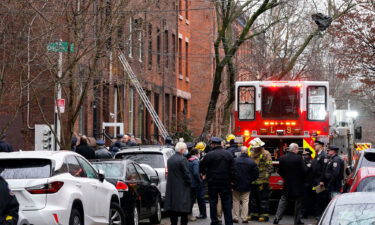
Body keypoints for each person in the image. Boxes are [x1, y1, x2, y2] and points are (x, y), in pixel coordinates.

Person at [200, 137, 234, 225]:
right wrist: (232, 181)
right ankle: (229, 222)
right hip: (225, 182)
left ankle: (214, 221)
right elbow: (233, 169)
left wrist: (204, 173)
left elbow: (202, 166)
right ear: (220, 144)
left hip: (212, 182)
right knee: (226, 202)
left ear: (213, 144)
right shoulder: (228, 154)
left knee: (213, 201)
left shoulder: (209, 155)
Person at [273, 143, 306, 225]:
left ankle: (277, 218)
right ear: (295, 149)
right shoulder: (298, 158)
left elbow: (279, 171)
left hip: (287, 183)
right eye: (297, 149)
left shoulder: (282, 158)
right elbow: (304, 170)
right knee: (298, 203)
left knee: (283, 201)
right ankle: (297, 220)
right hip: (297, 184)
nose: (298, 150)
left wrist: (286, 178)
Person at [164, 140, 192, 225]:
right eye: (185, 149)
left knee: (173, 211)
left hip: (172, 187)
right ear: (182, 150)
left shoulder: (170, 159)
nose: (186, 150)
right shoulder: (183, 159)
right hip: (182, 188)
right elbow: (186, 173)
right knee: (184, 211)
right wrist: (190, 182)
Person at [248, 138, 273, 222]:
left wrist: (265, 179)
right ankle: (254, 214)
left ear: (259, 146)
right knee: (253, 198)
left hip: (262, 180)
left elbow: (269, 167)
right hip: (253, 180)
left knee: (263, 199)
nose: (253, 148)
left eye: (255, 147)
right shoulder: (252, 154)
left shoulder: (266, 154)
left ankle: (264, 215)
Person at [232, 146, 259, 223]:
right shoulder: (251, 162)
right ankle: (244, 218)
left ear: (240, 152)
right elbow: (256, 174)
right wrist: (250, 180)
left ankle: (235, 217)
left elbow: (231, 172)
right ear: (247, 152)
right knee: (245, 201)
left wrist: (232, 181)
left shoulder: (234, 161)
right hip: (247, 184)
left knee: (236, 201)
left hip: (236, 184)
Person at [310, 140, 329, 220]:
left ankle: (320, 215)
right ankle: (317, 213)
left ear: (321, 146)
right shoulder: (317, 155)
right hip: (315, 180)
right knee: (317, 197)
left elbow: (324, 169)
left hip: (320, 180)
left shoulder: (323, 155)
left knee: (320, 198)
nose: (315, 146)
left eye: (316, 145)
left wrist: (322, 180)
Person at [188, 148, 207, 221]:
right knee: (200, 198)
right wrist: (200, 180)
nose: (200, 154)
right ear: (196, 154)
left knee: (192, 199)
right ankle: (203, 213)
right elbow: (196, 173)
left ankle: (189, 213)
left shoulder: (189, 160)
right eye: (199, 153)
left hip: (191, 183)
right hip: (196, 183)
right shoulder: (195, 162)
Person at [301, 149, 314, 218]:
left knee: (306, 198)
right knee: (304, 198)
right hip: (305, 182)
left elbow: (305, 170)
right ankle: (304, 212)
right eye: (303, 155)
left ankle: (305, 213)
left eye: (305, 155)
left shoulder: (310, 161)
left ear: (309, 155)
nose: (304, 156)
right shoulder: (305, 161)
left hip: (308, 182)